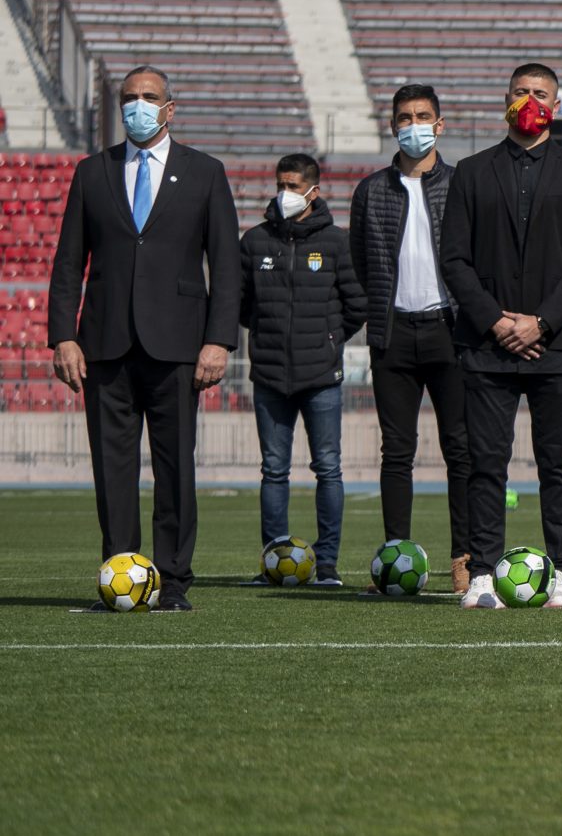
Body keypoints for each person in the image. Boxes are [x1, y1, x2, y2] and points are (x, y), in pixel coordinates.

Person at [49, 66, 240, 611]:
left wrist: (218, 340)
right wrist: (64, 335)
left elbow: (225, 267)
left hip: (179, 346)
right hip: (103, 345)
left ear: (169, 108)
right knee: (111, 470)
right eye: (129, 98)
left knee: (175, 465)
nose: (138, 106)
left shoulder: (205, 173)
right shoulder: (92, 172)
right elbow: (68, 265)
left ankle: (174, 582)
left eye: (148, 98)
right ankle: (120, 574)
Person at [440, 63, 562, 610]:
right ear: (505, 102)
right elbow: (456, 261)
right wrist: (497, 321)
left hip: (556, 345)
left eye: (540, 94)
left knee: (555, 461)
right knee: (486, 462)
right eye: (520, 93)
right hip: (486, 345)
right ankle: (483, 573)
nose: (530, 101)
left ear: (555, 106)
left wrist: (541, 322)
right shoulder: (469, 172)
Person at [349, 82, 472, 594]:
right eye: (405, 117)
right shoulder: (371, 190)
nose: (414, 125)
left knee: (461, 450)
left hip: (451, 330)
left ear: (440, 125)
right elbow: (360, 259)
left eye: (423, 116)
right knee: (396, 451)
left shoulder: (462, 184)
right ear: (393, 125)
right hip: (393, 333)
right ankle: (396, 552)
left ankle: (465, 556)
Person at [236, 152, 363, 585]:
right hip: (269, 375)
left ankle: (326, 563)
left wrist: (327, 340)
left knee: (327, 468)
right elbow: (241, 305)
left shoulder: (336, 242)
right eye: (280, 184)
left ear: (314, 190)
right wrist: (271, 336)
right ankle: (274, 559)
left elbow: (356, 305)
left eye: (292, 185)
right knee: (274, 470)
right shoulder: (254, 241)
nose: (284, 193)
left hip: (321, 377)